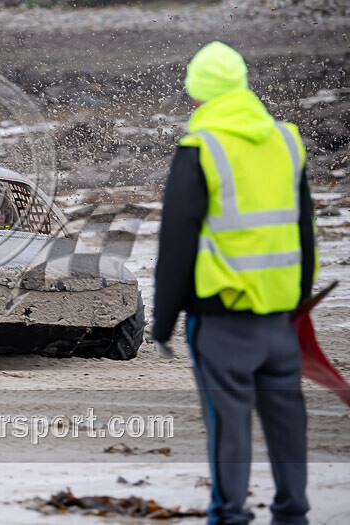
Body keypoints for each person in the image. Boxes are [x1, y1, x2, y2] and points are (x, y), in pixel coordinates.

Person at [152, 41, 316, 525]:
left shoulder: (200, 148)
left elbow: (176, 243)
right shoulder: (287, 140)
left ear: (198, 94)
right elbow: (304, 231)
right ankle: (293, 512)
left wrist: (163, 322)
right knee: (288, 418)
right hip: (280, 317)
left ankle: (230, 515)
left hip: (222, 319)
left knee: (229, 422)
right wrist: (298, 304)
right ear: (243, 85)